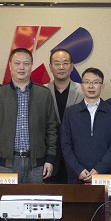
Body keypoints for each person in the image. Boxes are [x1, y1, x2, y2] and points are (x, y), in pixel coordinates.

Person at [0, 48, 58, 183]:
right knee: (7, 197)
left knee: (36, 197)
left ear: (31, 66)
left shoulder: (44, 94)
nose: (21, 68)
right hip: (5, 165)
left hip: (37, 165)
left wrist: (50, 158)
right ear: (10, 65)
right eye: (17, 63)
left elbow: (51, 129)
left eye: (26, 63)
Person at [61, 67, 111, 183]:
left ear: (102, 86)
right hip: (77, 176)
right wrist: (78, 170)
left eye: (95, 82)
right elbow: (66, 145)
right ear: (82, 86)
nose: (91, 86)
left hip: (105, 176)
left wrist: (99, 169)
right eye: (87, 82)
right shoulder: (70, 112)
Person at [45, 47, 84, 183]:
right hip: (49, 158)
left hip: (76, 157)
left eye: (65, 63)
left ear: (72, 66)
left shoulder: (83, 91)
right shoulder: (42, 91)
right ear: (50, 67)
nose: (61, 67)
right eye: (57, 63)